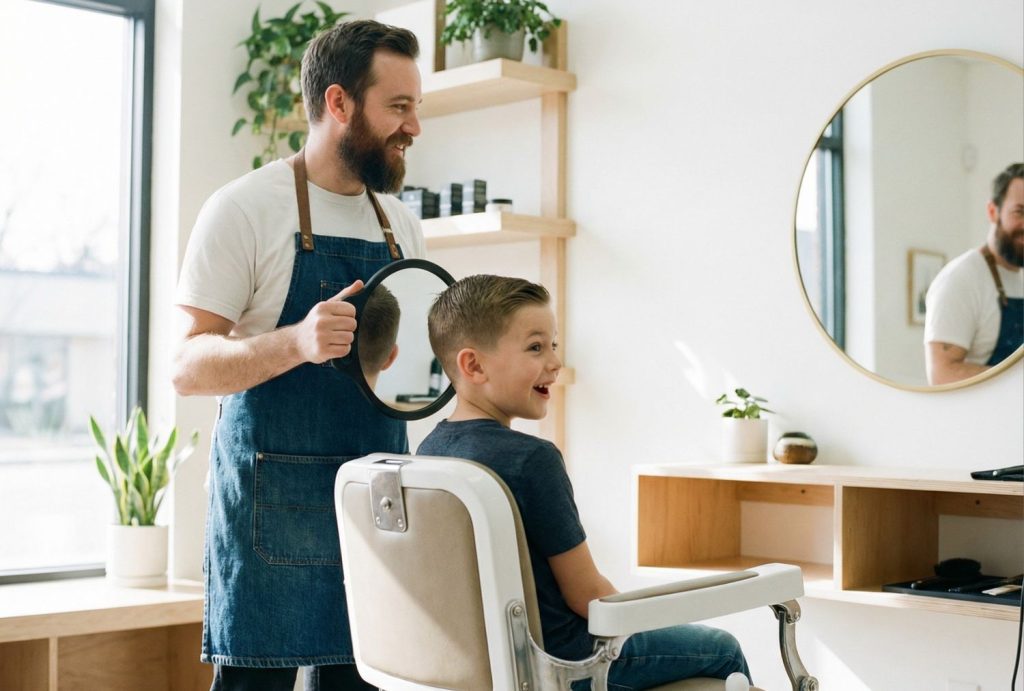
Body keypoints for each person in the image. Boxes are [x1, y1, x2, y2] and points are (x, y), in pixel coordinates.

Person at [172, 19, 425, 691]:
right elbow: (187, 365)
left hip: (372, 508)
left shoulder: (398, 223)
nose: (415, 126)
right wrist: (295, 341)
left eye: (415, 107)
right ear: (339, 104)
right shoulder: (244, 208)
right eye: (399, 107)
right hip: (270, 514)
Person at [417, 274, 754, 689]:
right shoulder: (531, 460)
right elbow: (588, 595)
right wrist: (644, 621)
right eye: (535, 347)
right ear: (473, 365)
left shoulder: (430, 451)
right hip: (568, 660)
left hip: (482, 665)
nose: (555, 363)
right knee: (723, 648)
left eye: (553, 345)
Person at [925, 162, 1024, 385]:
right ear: (992, 211)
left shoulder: (1017, 276)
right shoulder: (961, 279)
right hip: (975, 418)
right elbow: (942, 374)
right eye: (1020, 212)